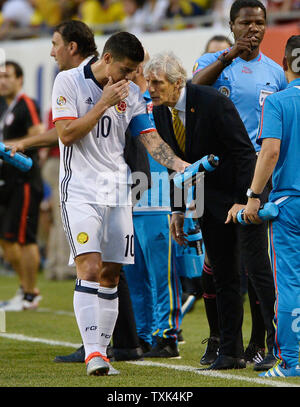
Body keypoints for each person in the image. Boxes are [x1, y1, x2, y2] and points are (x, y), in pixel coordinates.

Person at [52, 31, 188, 377]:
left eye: (135, 71)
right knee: (90, 269)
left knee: (112, 274)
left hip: (117, 192)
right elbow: (66, 135)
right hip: (81, 192)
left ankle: (104, 353)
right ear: (107, 59)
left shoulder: (131, 94)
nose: (131, 78)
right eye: (126, 70)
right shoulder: (68, 82)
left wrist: (180, 166)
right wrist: (102, 104)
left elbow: (150, 138)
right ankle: (94, 354)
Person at [144, 50, 256, 370]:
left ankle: (243, 349)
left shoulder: (212, 102)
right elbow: (175, 165)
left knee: (239, 274)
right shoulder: (162, 110)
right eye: (149, 82)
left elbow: (245, 153)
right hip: (206, 196)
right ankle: (227, 347)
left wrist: (246, 199)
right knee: (219, 273)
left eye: (157, 82)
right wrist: (177, 211)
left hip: (238, 195)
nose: (150, 88)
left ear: (178, 83)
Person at [192, 0, 287, 371]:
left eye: (259, 23)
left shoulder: (275, 73)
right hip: (216, 170)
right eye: (246, 22)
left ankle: (259, 342)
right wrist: (229, 56)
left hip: (256, 171)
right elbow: (191, 94)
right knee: (215, 260)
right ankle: (220, 339)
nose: (253, 29)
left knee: (254, 260)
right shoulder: (212, 63)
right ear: (231, 25)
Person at [243, 35, 300, 378]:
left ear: (284, 65)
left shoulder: (277, 102)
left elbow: (270, 151)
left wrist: (253, 195)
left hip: (290, 203)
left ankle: (292, 361)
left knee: (290, 283)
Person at [0, 60, 43, 311]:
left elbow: (37, 134)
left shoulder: (27, 104)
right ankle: (25, 288)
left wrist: (5, 145)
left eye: (8, 76)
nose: (3, 81)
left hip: (24, 178)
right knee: (6, 239)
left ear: (20, 80)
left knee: (25, 238)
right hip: (5, 180)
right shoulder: (2, 106)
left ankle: (30, 294)